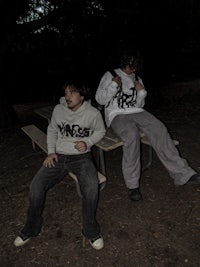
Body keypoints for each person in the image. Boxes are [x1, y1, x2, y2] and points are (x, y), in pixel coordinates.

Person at [95, 51, 200, 202]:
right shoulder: (110, 74)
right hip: (117, 115)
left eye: (135, 66)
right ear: (126, 61)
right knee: (131, 135)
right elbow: (100, 99)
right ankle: (132, 186)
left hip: (137, 111)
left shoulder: (137, 78)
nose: (133, 70)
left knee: (159, 128)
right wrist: (113, 85)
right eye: (131, 65)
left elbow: (139, 105)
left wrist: (141, 92)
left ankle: (183, 174)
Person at [14, 81, 106, 250]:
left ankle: (90, 231)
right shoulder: (58, 109)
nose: (67, 96)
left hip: (81, 158)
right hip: (59, 156)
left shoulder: (92, 113)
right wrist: (51, 152)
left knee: (91, 187)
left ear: (82, 95)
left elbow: (101, 131)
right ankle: (32, 229)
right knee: (36, 186)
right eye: (66, 93)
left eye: (72, 93)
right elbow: (52, 130)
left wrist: (87, 142)